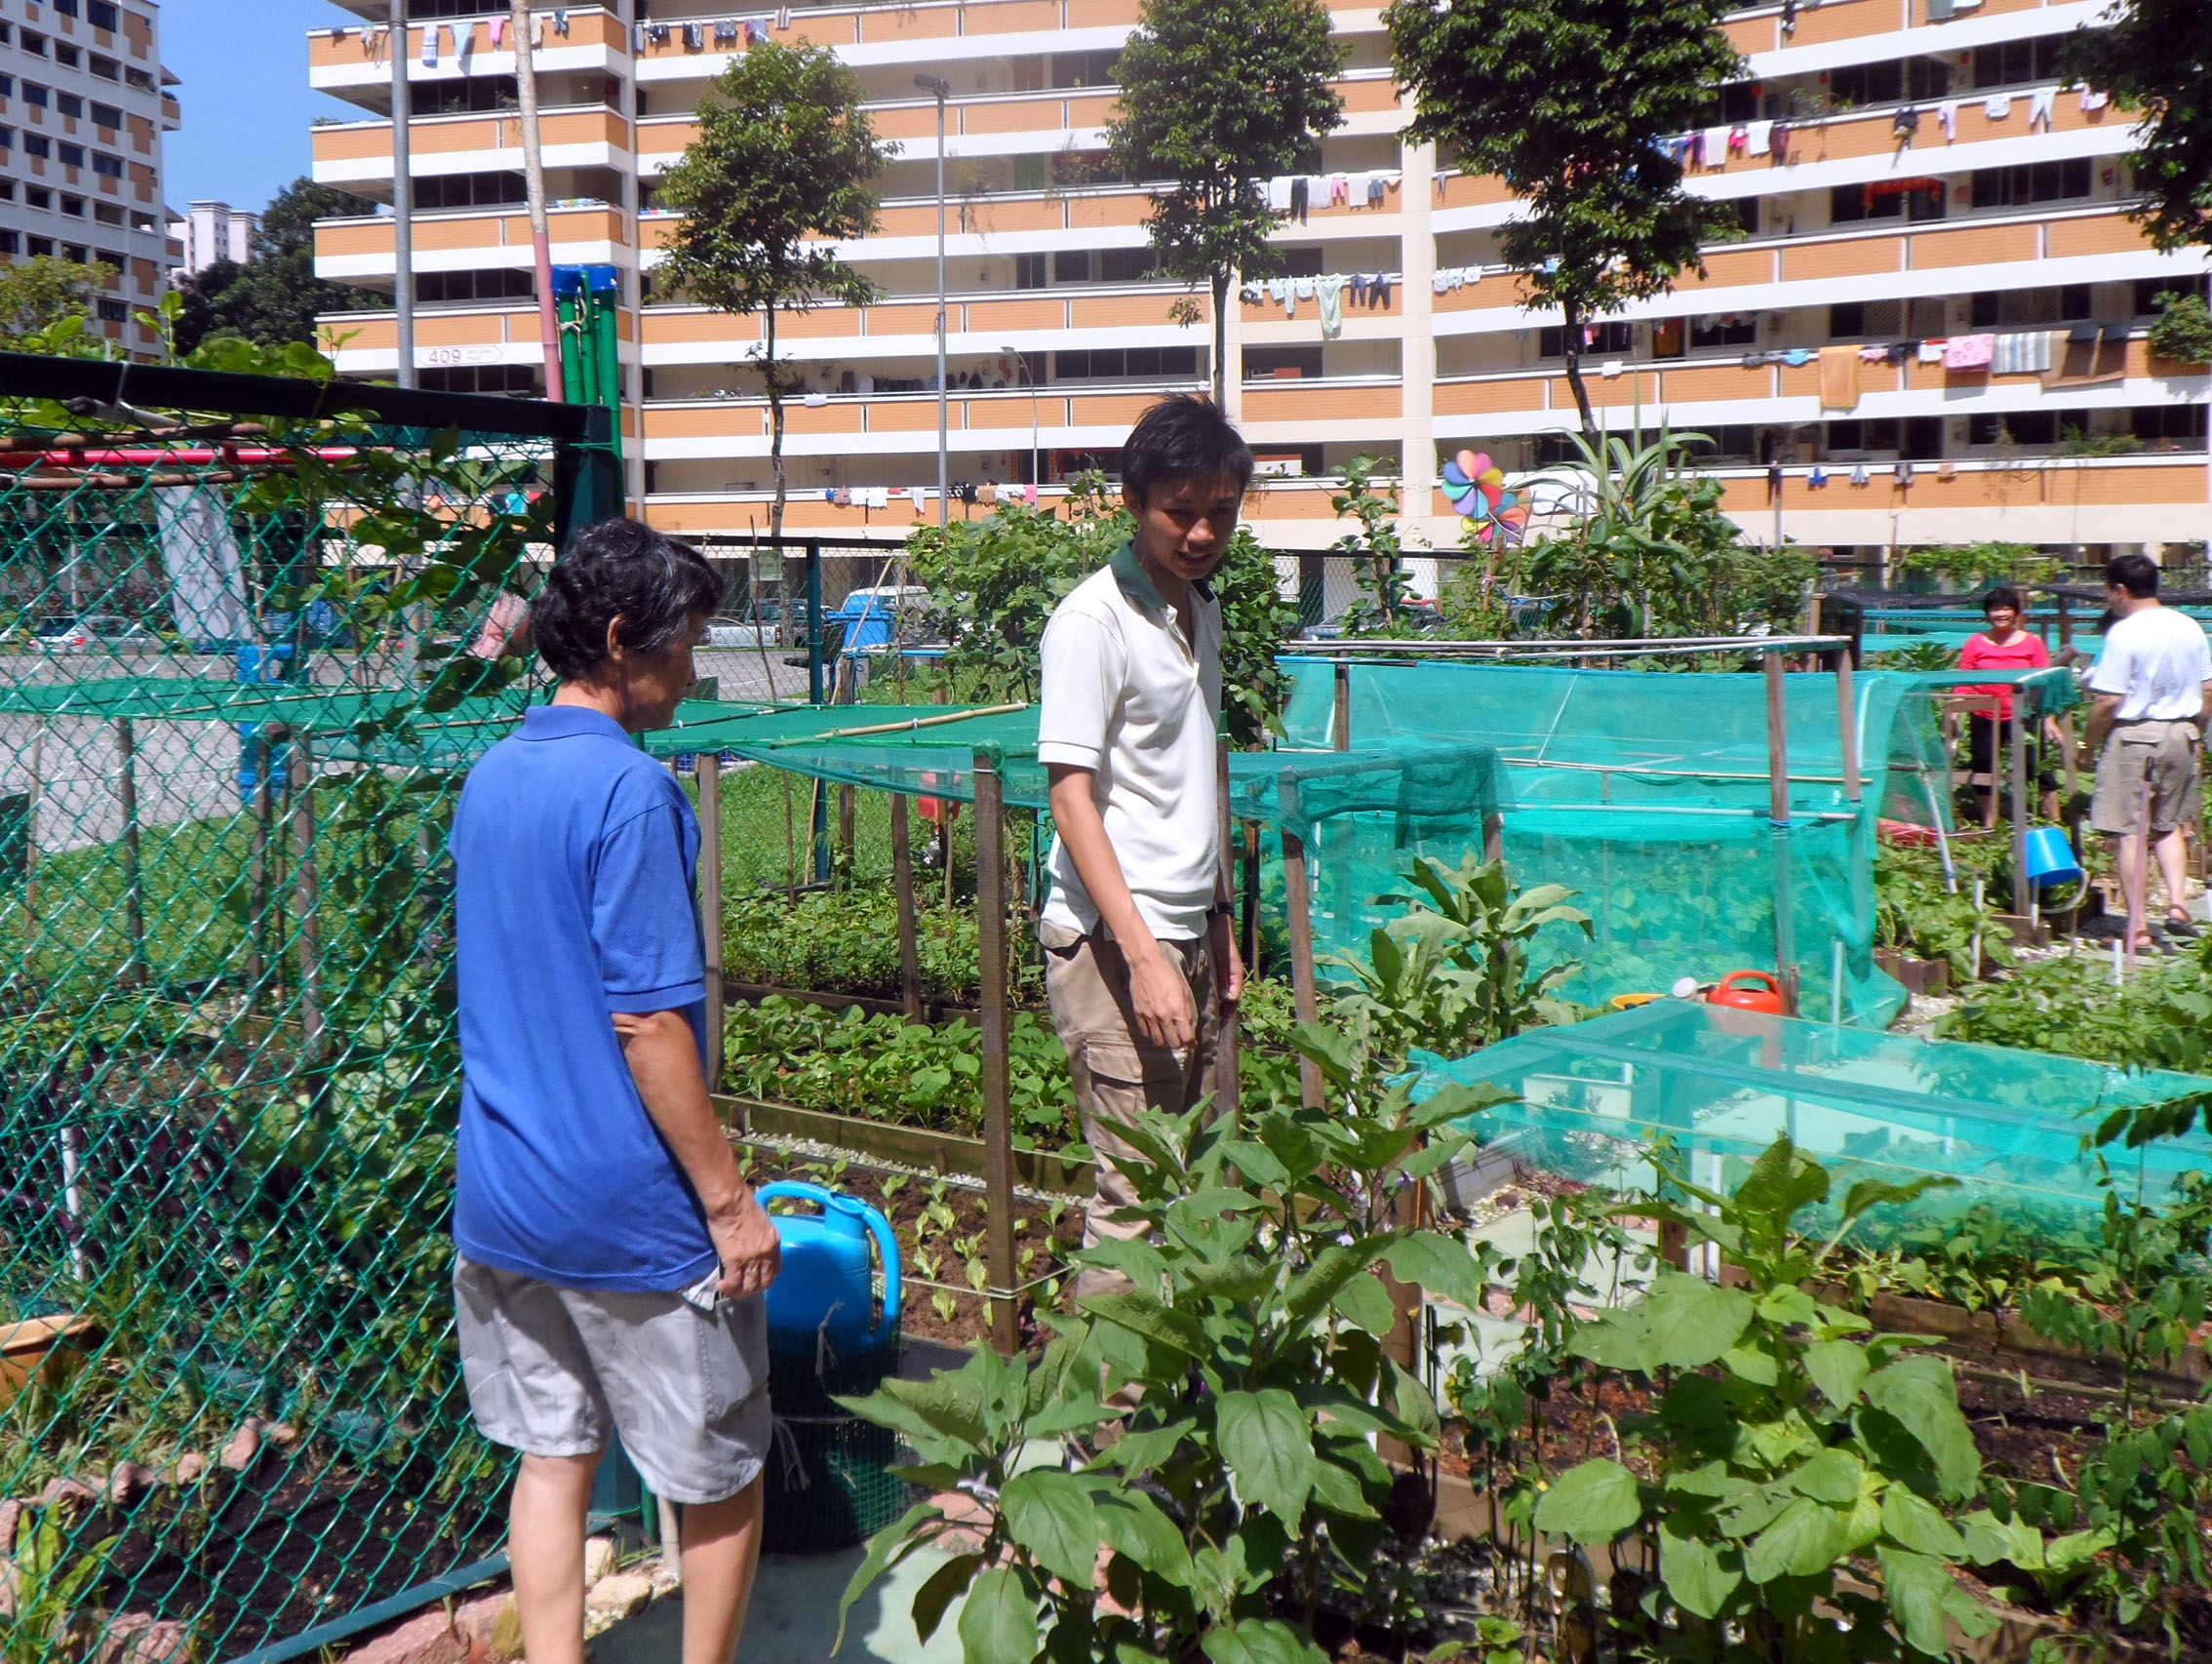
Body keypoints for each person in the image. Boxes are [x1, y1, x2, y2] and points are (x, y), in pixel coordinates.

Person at [450, 519, 781, 1664]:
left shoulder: (492, 774)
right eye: (684, 640)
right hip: (625, 1208)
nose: (695, 664)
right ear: (617, 639)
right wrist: (728, 1199)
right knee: (723, 1472)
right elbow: (647, 1022)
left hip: (501, 1196)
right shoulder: (633, 794)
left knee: (553, 1455)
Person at [1036, 395, 1247, 1296]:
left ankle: (1173, 1402)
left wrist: (1221, 915)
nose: (1201, 531)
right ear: (1133, 500)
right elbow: (1069, 796)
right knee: (1133, 1198)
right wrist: (1146, 955)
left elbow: (1202, 771)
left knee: (1195, 1172)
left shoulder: (1200, 614)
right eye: (1180, 510)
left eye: (1221, 511)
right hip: (1118, 945)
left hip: (1187, 931)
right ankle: (1106, 1434)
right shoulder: (1093, 622)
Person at [2080, 552, 2212, 954]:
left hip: (2137, 735)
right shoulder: (2189, 626)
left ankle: (2136, 926)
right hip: (2183, 731)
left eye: (2108, 590)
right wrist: (2198, 734)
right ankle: (2176, 906)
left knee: (2129, 831)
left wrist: (2087, 745)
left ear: (2119, 590)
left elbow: (2107, 701)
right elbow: (2208, 689)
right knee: (2169, 824)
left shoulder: (2125, 632)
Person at [1956, 585, 2064, 826]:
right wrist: (1955, 715)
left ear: (2016, 612)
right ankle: (1989, 823)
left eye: (2006, 608)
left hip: (2023, 714)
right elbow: (1964, 680)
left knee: (2035, 765)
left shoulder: (2032, 643)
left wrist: (2049, 718)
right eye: (1995, 609)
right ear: (1987, 613)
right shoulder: (1975, 643)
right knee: (1983, 765)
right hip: (1984, 712)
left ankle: (2055, 821)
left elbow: (2042, 682)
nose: (2001, 614)